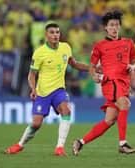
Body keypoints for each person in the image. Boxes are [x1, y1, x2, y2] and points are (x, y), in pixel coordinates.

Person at [5, 23, 92, 156]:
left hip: (59, 90)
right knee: (36, 124)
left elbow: (74, 64)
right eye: (52, 32)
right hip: (43, 93)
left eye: (57, 32)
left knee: (66, 110)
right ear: (46, 35)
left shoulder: (66, 47)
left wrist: (90, 68)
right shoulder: (39, 53)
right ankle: (20, 145)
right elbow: (31, 75)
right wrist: (33, 89)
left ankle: (59, 147)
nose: (55, 35)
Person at [72, 11, 135, 156]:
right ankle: (123, 144)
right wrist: (93, 75)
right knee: (126, 104)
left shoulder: (128, 43)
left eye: (117, 25)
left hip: (123, 83)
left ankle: (80, 142)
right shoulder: (100, 46)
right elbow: (92, 65)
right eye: (112, 25)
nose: (115, 28)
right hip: (110, 82)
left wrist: (133, 69)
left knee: (109, 120)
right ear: (106, 28)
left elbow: (133, 62)